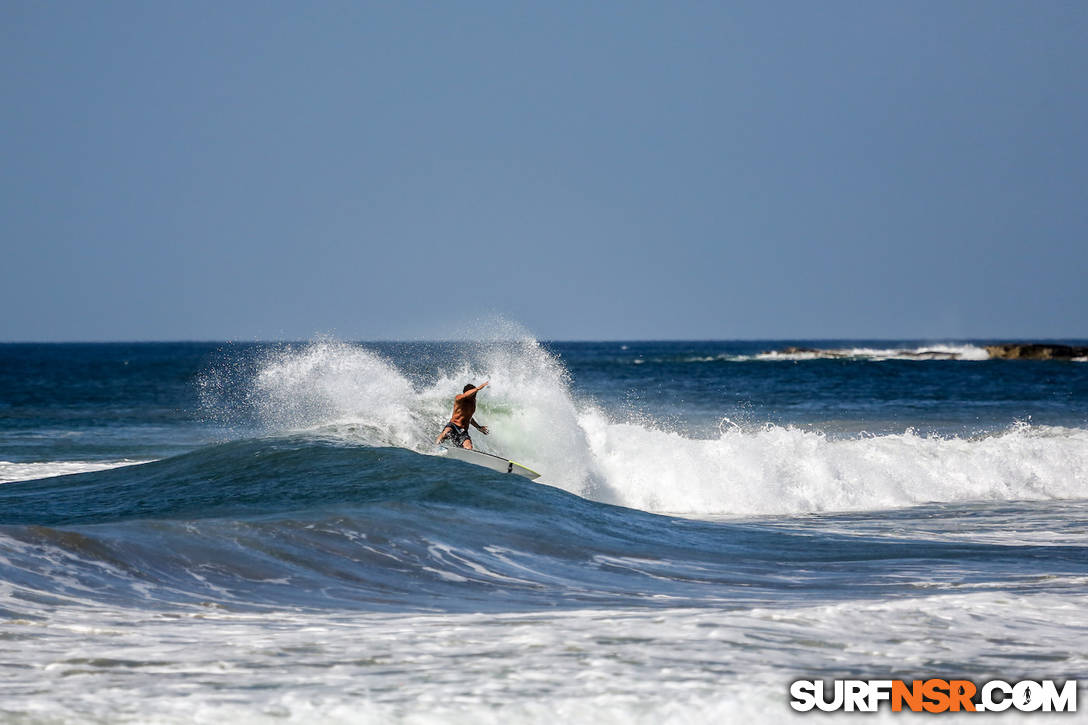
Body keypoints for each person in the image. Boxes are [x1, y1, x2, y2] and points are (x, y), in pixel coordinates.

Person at [436, 381, 490, 450]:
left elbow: (469, 417)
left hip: (463, 431)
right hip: (453, 426)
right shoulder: (459, 398)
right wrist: (478, 388)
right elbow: (465, 395)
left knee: (469, 447)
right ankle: (436, 446)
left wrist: (478, 427)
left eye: (475, 393)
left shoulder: (473, 402)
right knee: (446, 432)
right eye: (473, 393)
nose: (475, 395)